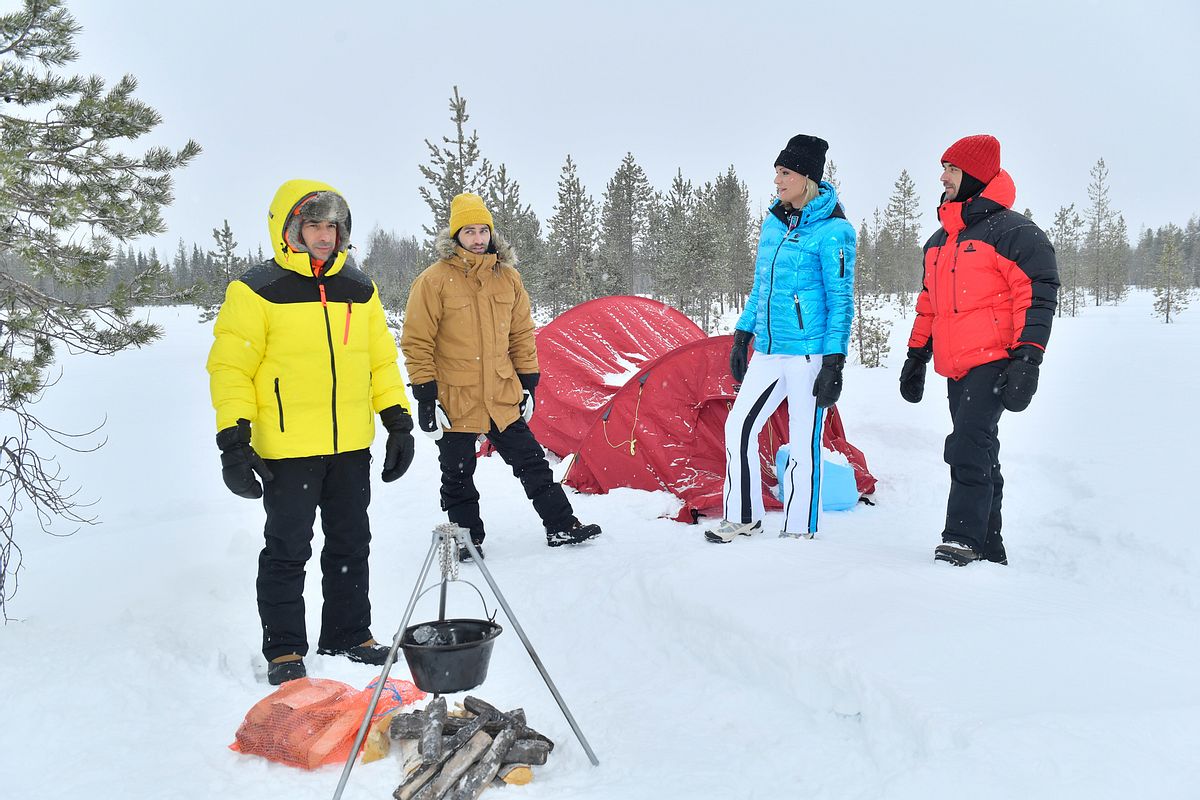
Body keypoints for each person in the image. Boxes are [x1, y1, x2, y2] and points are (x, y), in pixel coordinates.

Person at [206, 179, 415, 684]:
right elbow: (230, 368)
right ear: (289, 229)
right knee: (288, 549)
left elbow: (380, 361)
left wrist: (397, 420)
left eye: (332, 225)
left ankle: (348, 634)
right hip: (287, 448)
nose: (324, 236)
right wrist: (234, 441)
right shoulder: (257, 290)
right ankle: (284, 650)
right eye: (313, 225)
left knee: (351, 542)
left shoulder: (358, 287)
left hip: (349, 446)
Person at [401, 192, 601, 561]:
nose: (478, 239)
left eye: (483, 231)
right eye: (469, 231)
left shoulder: (508, 279)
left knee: (533, 464)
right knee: (458, 475)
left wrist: (528, 384)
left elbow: (522, 335)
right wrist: (426, 397)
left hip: (502, 395)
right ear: (455, 235)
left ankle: (560, 525)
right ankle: (466, 540)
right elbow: (416, 342)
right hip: (456, 398)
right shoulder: (433, 281)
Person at [899, 135, 1059, 566]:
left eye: (951, 168)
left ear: (974, 175)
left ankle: (962, 539)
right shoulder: (939, 241)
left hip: (996, 360)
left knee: (968, 445)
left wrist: (1028, 359)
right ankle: (991, 547)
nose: (943, 176)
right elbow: (929, 303)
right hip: (957, 365)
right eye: (944, 167)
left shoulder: (1015, 232)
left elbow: (1037, 297)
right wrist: (917, 356)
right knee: (981, 449)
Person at [706, 134, 855, 543]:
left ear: (806, 178)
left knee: (802, 443)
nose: (777, 180)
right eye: (776, 172)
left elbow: (841, 301)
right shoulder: (773, 223)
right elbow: (762, 286)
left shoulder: (834, 231)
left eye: (785, 173)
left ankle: (798, 529)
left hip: (809, 355)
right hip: (769, 350)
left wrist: (835, 362)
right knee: (738, 427)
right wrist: (743, 333)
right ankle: (742, 516)